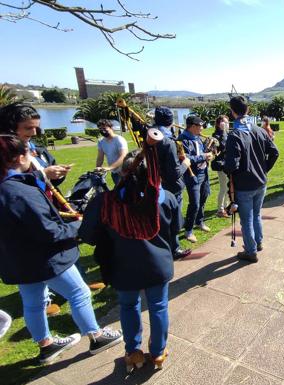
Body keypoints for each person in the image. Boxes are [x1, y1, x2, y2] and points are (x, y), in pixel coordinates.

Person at [0, 135, 122, 364]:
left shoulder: (9, 187)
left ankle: (46, 345)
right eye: (29, 153)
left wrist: (42, 175)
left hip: (17, 258)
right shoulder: (20, 193)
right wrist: (78, 227)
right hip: (45, 256)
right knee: (79, 293)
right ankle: (96, 336)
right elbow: (49, 230)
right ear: (18, 157)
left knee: (33, 302)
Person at [80, 149, 179, 371]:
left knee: (129, 305)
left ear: (124, 173)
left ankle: (133, 352)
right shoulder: (166, 198)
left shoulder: (105, 202)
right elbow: (176, 230)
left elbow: (88, 235)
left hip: (122, 264)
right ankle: (158, 352)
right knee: (158, 306)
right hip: (157, 264)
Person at [224, 96, 279, 262]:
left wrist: (222, 164)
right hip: (260, 181)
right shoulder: (259, 130)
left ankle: (250, 250)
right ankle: (258, 243)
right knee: (256, 215)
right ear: (247, 110)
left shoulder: (235, 135)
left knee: (247, 219)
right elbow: (275, 152)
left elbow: (232, 165)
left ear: (232, 112)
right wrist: (264, 169)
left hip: (244, 185)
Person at [154, 107, 191, 260]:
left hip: (156, 183)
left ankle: (164, 247)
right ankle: (174, 249)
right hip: (171, 187)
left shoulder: (150, 135)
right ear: (171, 122)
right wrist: (186, 164)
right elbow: (174, 173)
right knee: (172, 220)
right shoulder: (167, 141)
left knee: (160, 217)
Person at [179, 115, 213, 243]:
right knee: (194, 203)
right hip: (192, 175)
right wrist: (204, 156)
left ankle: (199, 221)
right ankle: (188, 230)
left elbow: (201, 152)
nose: (202, 128)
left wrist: (208, 151)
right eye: (200, 126)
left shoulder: (197, 138)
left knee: (204, 197)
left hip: (203, 173)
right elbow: (186, 158)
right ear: (192, 126)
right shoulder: (182, 140)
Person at [95, 119, 128, 186]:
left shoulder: (119, 139)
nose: (102, 130)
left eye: (104, 128)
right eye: (100, 129)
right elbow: (100, 158)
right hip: (114, 173)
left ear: (111, 128)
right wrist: (97, 169)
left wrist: (110, 167)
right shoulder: (101, 141)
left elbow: (124, 156)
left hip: (124, 172)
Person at [211, 115, 230, 218]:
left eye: (227, 122)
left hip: (228, 163)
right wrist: (223, 131)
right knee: (223, 188)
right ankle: (220, 210)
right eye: (224, 123)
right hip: (221, 165)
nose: (226, 124)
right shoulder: (216, 135)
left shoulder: (227, 133)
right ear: (218, 124)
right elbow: (222, 146)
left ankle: (226, 206)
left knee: (228, 187)